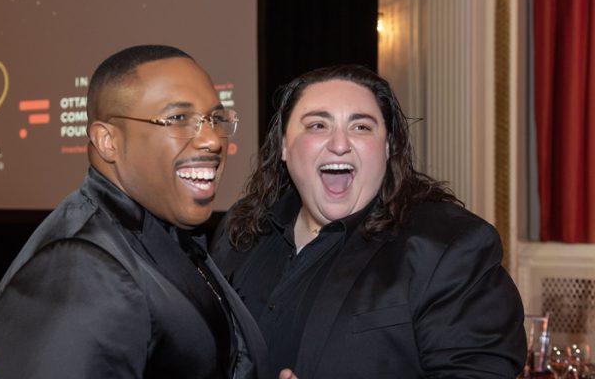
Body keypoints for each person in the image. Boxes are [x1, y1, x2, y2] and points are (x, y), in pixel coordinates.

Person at [212, 64, 527, 379]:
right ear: (283, 146)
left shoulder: (450, 248)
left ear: (388, 146)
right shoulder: (240, 234)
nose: (339, 144)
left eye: (361, 127)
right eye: (317, 125)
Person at [0, 45, 266, 378]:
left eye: (215, 119)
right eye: (178, 118)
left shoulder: (164, 228)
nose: (212, 140)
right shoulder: (78, 268)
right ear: (107, 141)